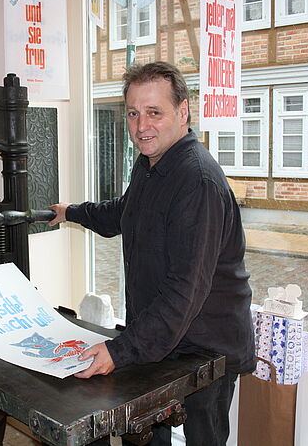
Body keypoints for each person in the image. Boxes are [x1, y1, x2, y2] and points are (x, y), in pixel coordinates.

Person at [49, 61, 255, 446]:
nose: (141, 126)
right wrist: (71, 212)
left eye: (154, 113)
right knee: (143, 432)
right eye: (133, 113)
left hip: (207, 345)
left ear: (183, 111)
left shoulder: (197, 181)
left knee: (204, 439)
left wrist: (120, 350)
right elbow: (123, 213)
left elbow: (185, 289)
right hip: (162, 335)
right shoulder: (149, 163)